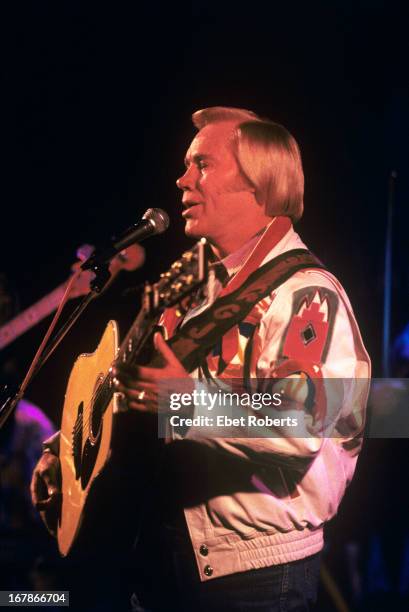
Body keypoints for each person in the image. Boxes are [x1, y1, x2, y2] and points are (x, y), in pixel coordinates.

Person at [31, 106, 371, 611]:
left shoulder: (306, 293)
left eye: (202, 165)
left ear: (260, 184)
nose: (181, 179)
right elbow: (143, 399)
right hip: (166, 559)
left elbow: (303, 419)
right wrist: (67, 450)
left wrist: (185, 400)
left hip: (253, 574)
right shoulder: (200, 292)